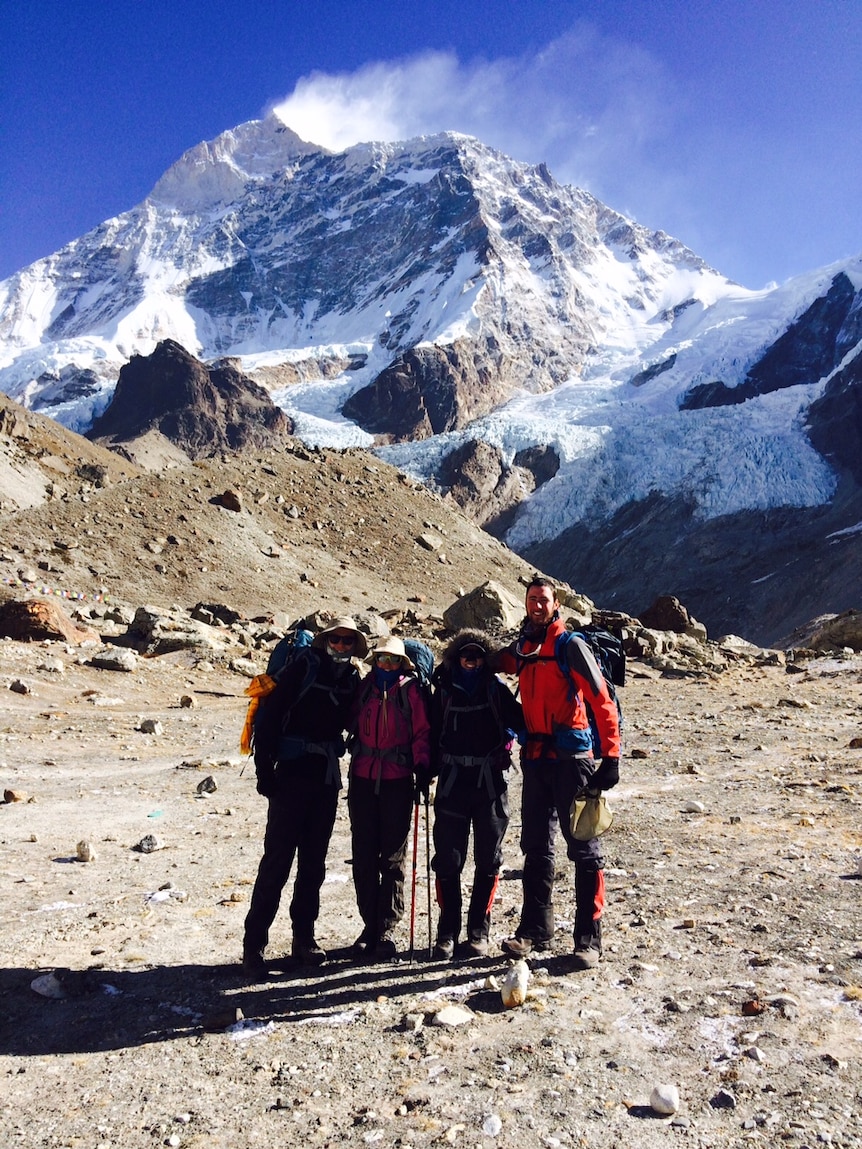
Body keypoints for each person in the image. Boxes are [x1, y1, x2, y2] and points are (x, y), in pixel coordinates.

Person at [495, 577, 621, 969]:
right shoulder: (526, 648)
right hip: (535, 757)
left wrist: (611, 756)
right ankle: (535, 928)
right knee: (536, 845)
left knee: (583, 847)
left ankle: (588, 939)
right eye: (531, 599)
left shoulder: (570, 646)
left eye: (543, 600)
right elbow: (499, 663)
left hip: (572, 760)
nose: (536, 605)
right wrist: (468, 657)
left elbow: (600, 698)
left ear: (555, 604)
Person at [242, 618, 366, 978]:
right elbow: (269, 721)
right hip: (291, 778)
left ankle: (304, 940)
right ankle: (254, 947)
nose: (341, 646)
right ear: (326, 641)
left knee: (313, 864)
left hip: (325, 780)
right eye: (337, 640)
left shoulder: (350, 680)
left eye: (347, 642)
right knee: (276, 863)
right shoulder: (302, 668)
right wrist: (264, 772)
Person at [429, 630, 524, 960]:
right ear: (456, 658)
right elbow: (428, 734)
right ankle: (447, 933)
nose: (472, 661)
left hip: (489, 784)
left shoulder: (496, 691)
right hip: (453, 783)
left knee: (488, 859)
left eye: (478, 656)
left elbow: (522, 723)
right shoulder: (442, 692)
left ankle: (477, 933)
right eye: (466, 655)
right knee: (448, 860)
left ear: (486, 660)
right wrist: (421, 770)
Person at [348, 636, 431, 960]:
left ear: (401, 663)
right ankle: (371, 925)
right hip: (363, 779)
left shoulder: (411, 691)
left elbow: (422, 732)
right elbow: (347, 719)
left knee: (393, 858)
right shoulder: (366, 687)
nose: (386, 664)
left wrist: (423, 764)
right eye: (381, 659)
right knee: (364, 856)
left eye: (392, 660)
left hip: (397, 779)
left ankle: (385, 927)